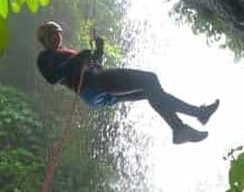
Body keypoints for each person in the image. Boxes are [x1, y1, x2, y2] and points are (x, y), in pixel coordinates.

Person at [36, 21, 219, 144]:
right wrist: (80, 58)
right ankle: (188, 122)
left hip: (95, 90)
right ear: (44, 40)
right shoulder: (45, 58)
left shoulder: (66, 53)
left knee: (151, 91)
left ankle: (189, 121)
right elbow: (53, 77)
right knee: (150, 79)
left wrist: (99, 50)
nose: (56, 38)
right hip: (94, 85)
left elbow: (95, 65)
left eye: (57, 34)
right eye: (52, 35)